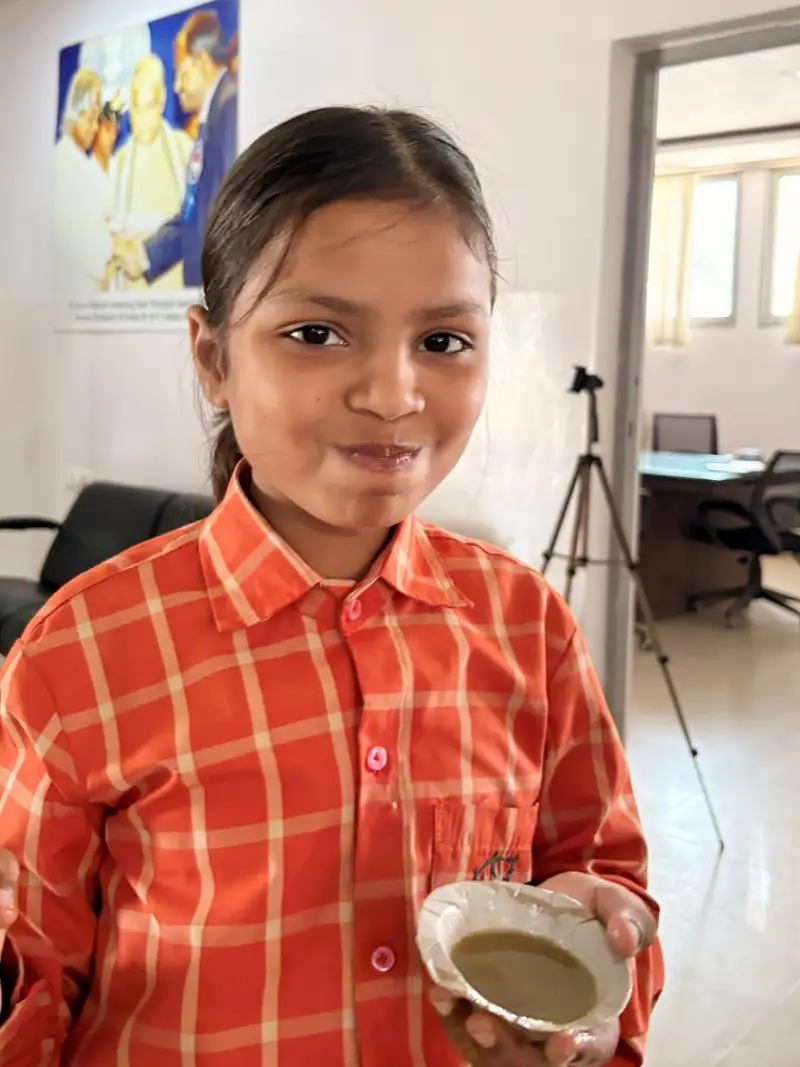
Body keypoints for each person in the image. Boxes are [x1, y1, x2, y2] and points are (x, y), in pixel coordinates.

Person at [0, 106, 663, 1066]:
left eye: (444, 341)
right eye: (316, 332)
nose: (392, 394)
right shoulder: (79, 653)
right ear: (212, 357)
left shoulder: (530, 626)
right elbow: (31, 973)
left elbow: (600, 872)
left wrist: (595, 984)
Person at [111, 11, 237, 289]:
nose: (178, 85)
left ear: (202, 61)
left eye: (181, 72)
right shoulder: (214, 118)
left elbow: (225, 214)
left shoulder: (229, 110)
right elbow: (195, 215)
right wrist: (144, 255)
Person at [109, 55, 193, 291]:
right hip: (131, 297)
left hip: (173, 292)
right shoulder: (119, 163)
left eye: (149, 107)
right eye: (136, 108)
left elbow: (195, 223)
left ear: (162, 99)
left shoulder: (184, 151)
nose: (142, 120)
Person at [54, 69, 112, 296]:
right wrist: (114, 249)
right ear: (74, 113)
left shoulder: (83, 163)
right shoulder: (61, 162)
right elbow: (73, 240)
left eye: (96, 119)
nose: (95, 128)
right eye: (89, 118)